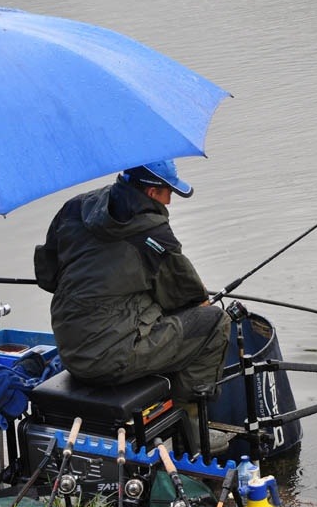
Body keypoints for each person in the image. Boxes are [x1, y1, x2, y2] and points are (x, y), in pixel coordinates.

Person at [33, 159, 229, 407]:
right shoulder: (154, 234)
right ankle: (193, 423)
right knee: (214, 321)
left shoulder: (75, 208)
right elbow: (191, 300)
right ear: (151, 192)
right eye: (168, 192)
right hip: (109, 361)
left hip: (70, 351)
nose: (169, 201)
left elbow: (47, 276)